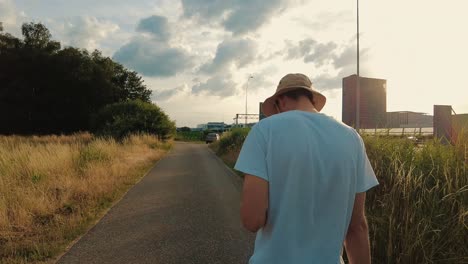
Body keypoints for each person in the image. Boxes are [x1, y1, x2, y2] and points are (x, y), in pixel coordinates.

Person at [234, 73, 379, 264]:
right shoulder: (352, 138)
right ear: (311, 99)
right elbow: (357, 227)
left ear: (281, 101)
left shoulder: (264, 130)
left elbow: (252, 220)